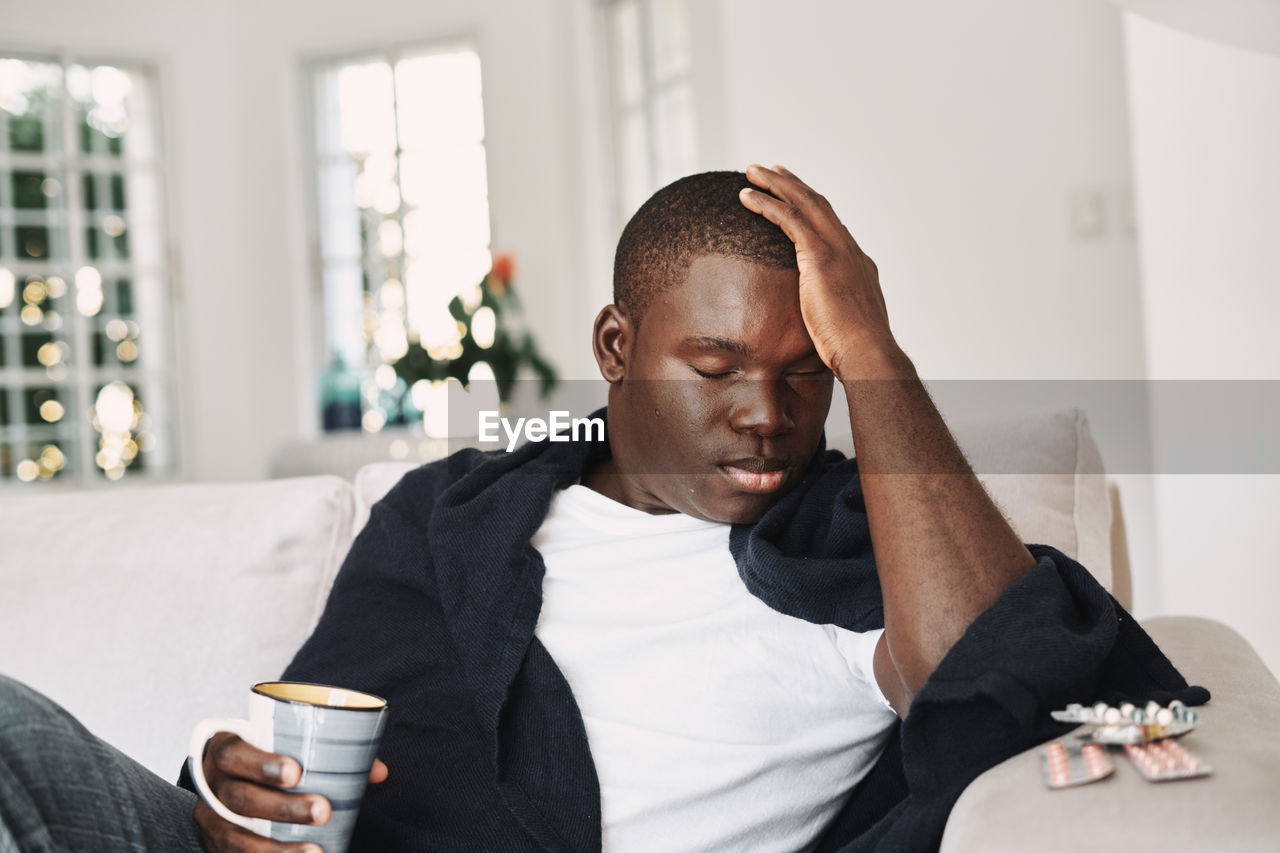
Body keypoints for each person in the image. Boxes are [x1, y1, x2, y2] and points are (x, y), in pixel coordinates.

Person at [0, 167, 1204, 853]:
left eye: (806, 369)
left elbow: (985, 669)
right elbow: (300, 743)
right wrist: (226, 792)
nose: (764, 413)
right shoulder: (450, 513)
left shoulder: (852, 550)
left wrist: (874, 349)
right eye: (716, 364)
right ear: (616, 347)